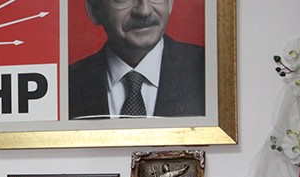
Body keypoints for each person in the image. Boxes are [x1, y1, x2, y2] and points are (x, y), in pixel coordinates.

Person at [68, 0, 204, 119]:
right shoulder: (67, 84)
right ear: (94, 10)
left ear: (170, 3)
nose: (144, 11)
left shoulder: (209, 70)